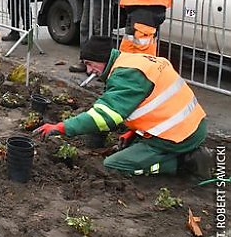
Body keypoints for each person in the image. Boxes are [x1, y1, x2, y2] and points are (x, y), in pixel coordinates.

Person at [34, 36, 212, 177]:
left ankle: (185, 163)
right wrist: (134, 132)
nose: (89, 71)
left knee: (114, 165)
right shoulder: (129, 61)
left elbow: (103, 116)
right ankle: (174, 152)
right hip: (188, 125)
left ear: (102, 58)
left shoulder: (127, 75)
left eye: (90, 63)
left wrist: (62, 127)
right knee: (126, 144)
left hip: (179, 136)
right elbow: (153, 104)